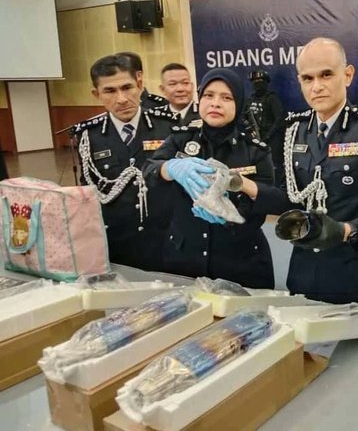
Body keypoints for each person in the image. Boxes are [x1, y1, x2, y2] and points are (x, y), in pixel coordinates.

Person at [239, 37, 358, 310]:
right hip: (305, 269)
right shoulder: (294, 131)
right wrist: (243, 185)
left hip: (356, 269)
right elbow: (289, 196)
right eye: (308, 78)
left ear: (347, 75)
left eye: (326, 74)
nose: (316, 86)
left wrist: (347, 231)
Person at [143, 68, 275, 288]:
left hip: (240, 261)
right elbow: (148, 171)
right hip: (184, 259)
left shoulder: (255, 150)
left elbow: (272, 199)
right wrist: (171, 167)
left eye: (226, 98)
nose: (215, 103)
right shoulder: (180, 140)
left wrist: (234, 215)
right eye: (208, 95)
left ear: (239, 103)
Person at [72, 54, 177, 271]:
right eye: (110, 91)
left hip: (165, 240)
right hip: (117, 244)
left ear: (139, 84)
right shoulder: (88, 136)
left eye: (127, 87)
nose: (121, 99)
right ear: (96, 94)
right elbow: (89, 193)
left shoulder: (169, 127)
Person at [246, 70, 286, 186]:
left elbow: (280, 119)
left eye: (260, 81)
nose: (257, 84)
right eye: (255, 82)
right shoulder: (250, 99)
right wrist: (249, 129)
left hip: (272, 139)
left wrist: (268, 136)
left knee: (275, 167)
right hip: (255, 139)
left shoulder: (271, 98)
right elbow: (244, 116)